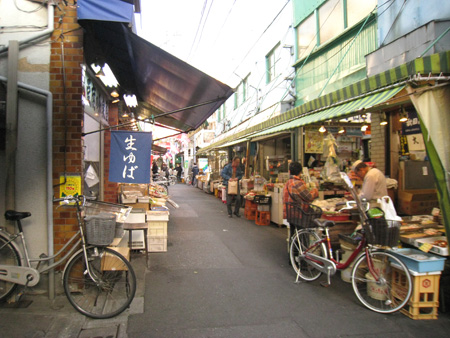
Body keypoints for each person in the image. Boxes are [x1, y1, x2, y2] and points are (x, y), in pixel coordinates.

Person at [283, 161, 319, 239]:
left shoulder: (288, 182)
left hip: (289, 212)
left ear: (289, 172)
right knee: (301, 234)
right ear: (300, 172)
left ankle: (293, 249)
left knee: (293, 233)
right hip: (298, 212)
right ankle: (301, 249)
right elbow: (308, 197)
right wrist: (315, 190)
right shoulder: (297, 183)